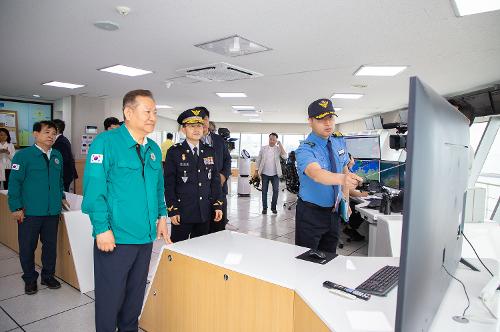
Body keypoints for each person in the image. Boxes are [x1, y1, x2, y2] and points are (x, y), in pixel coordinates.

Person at [82, 89, 171, 332]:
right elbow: (94, 190)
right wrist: (101, 229)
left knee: (134, 295)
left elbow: (157, 188)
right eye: (147, 111)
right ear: (128, 113)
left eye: (155, 112)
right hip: (116, 237)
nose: (152, 117)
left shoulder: (152, 148)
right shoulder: (106, 143)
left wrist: (162, 216)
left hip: (144, 237)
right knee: (111, 298)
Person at [8, 121, 68, 295]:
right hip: (30, 212)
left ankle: (48, 276)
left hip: (52, 211)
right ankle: (29, 278)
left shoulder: (57, 155)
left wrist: (61, 197)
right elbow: (14, 183)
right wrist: (16, 206)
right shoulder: (23, 156)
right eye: (46, 132)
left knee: (50, 246)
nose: (51, 136)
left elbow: (59, 180)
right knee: (27, 247)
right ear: (35, 134)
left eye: (53, 133)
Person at [295, 98, 362, 254]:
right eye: (321, 119)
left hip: (334, 212)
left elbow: (344, 168)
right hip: (311, 214)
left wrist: (345, 200)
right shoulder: (305, 149)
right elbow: (317, 174)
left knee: (330, 257)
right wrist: (343, 179)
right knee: (307, 260)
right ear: (310, 121)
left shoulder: (339, 141)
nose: (328, 123)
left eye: (330, 118)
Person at [164, 108, 224, 241]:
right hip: (183, 213)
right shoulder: (174, 152)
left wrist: (218, 205)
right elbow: (169, 184)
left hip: (205, 212)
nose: (197, 129)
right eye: (192, 126)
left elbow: (214, 181)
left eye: (199, 125)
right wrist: (172, 210)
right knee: (179, 250)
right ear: (183, 129)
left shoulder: (209, 151)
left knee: (201, 250)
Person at [198, 107, 232, 233]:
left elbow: (227, 160)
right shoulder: (193, 141)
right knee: (202, 229)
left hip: (219, 190)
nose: (202, 123)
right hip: (200, 194)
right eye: (199, 120)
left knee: (219, 227)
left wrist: (223, 175)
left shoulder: (219, 140)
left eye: (205, 119)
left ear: (208, 120)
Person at [255, 133, 287, 214]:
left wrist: (280, 145)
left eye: (274, 139)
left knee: (276, 191)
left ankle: (273, 207)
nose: (272, 141)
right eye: (270, 139)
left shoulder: (278, 149)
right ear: (269, 139)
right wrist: (256, 170)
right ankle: (264, 208)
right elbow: (258, 159)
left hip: (275, 174)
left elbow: (285, 156)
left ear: (276, 140)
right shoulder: (263, 148)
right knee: (264, 191)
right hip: (264, 173)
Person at [52, 119, 78, 192]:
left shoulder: (61, 142)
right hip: (64, 174)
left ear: (56, 129)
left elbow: (63, 159)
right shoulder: (60, 140)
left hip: (64, 175)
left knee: (61, 195)